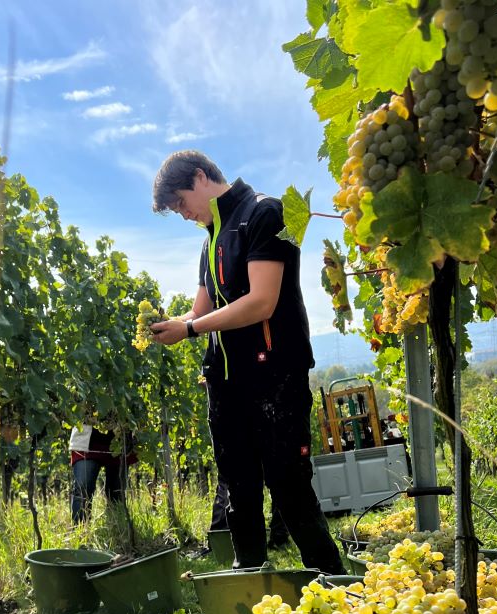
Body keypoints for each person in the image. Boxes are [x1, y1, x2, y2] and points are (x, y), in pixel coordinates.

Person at [150, 150, 345, 573]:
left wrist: (190, 330)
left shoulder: (266, 213)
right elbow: (198, 311)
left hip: (275, 376)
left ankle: (337, 586)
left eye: (181, 203)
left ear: (201, 177)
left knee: (290, 486)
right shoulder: (210, 240)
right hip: (226, 382)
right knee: (238, 487)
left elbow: (261, 301)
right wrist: (173, 324)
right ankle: (251, 585)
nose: (182, 214)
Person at [69, 423, 135, 524]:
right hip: (86, 441)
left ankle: (116, 531)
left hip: (119, 441)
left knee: (116, 492)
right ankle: (80, 532)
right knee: (82, 488)